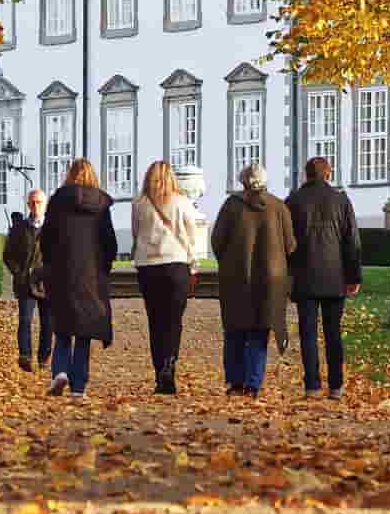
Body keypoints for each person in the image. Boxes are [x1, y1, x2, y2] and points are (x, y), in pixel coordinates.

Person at [210, 162, 295, 399]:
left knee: (235, 330)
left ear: (242, 182)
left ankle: (235, 382)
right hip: (270, 280)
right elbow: (290, 245)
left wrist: (229, 262)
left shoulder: (231, 206)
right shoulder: (278, 207)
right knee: (260, 331)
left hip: (236, 278)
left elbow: (217, 241)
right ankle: (253, 384)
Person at [40, 158, 118, 399]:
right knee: (84, 330)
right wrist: (102, 267)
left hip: (63, 271)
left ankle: (60, 371)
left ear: (69, 175)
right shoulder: (101, 205)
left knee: (63, 325)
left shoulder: (58, 201)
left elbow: (47, 238)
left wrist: (50, 264)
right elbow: (109, 242)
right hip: (90, 274)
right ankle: (78, 385)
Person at [287, 155, 362, 400]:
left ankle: (312, 385)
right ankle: (336, 385)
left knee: (308, 333)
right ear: (328, 174)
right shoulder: (341, 201)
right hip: (335, 276)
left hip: (305, 276)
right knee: (333, 333)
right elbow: (351, 241)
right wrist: (353, 276)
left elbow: (287, 242)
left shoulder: (294, 201)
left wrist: (289, 273)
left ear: (306, 175)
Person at [131, 160, 197, 395]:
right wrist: (193, 263)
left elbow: (136, 232)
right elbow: (191, 234)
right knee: (173, 320)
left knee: (155, 320)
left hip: (148, 266)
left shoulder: (139, 203)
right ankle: (170, 363)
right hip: (176, 264)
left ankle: (159, 371)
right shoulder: (181, 202)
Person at [4, 190, 51, 372]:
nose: (35, 206)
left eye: (39, 202)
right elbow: (8, 255)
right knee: (25, 320)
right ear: (28, 205)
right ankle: (25, 356)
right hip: (25, 281)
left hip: (47, 282)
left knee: (48, 323)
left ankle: (44, 358)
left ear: (45, 204)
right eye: (32, 202)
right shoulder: (19, 228)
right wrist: (19, 273)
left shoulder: (53, 227)